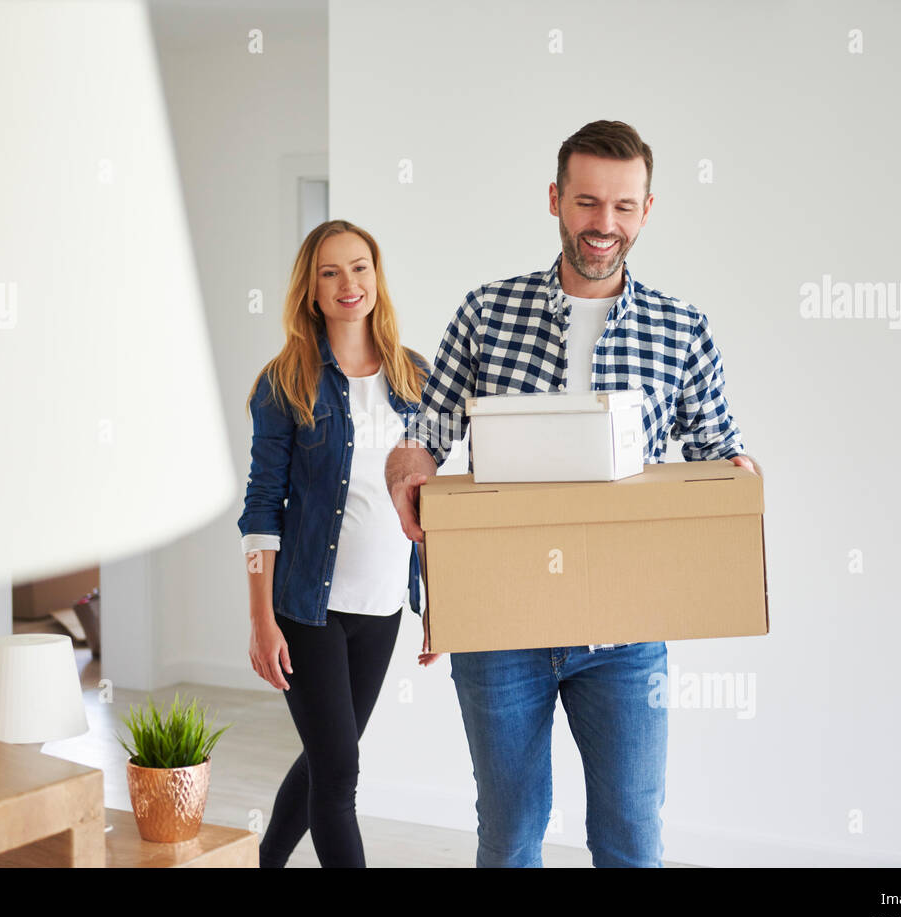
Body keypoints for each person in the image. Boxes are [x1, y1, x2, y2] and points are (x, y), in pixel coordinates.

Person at [384, 120, 759, 868]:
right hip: (500, 628)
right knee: (513, 830)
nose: (604, 225)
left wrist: (738, 479)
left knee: (630, 837)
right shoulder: (487, 311)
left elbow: (717, 455)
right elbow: (422, 434)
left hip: (625, 632)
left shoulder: (682, 329)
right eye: (588, 202)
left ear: (647, 210)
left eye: (623, 207)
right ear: (556, 199)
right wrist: (408, 472)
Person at [237, 220, 432, 868]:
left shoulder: (416, 379)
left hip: (381, 610)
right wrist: (261, 620)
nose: (349, 284)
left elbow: (438, 507)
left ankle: (263, 861)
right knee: (340, 770)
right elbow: (262, 509)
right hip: (306, 609)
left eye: (360, 267)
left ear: (376, 278)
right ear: (311, 291)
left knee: (327, 756)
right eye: (330, 272)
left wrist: (442, 609)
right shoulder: (285, 382)